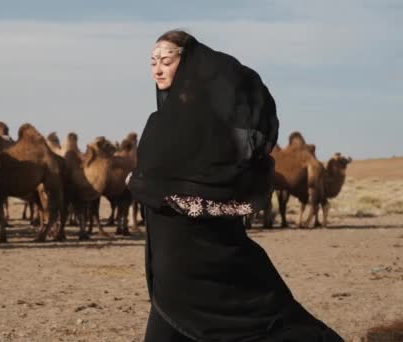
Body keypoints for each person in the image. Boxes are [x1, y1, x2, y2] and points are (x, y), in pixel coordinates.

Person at [127, 30, 344, 342]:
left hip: (209, 256)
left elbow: (224, 179)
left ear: (188, 64)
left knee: (258, 320)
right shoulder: (158, 123)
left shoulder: (213, 127)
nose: (157, 69)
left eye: (166, 60)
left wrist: (142, 184)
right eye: (152, 62)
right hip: (170, 258)